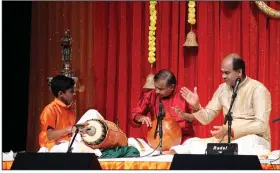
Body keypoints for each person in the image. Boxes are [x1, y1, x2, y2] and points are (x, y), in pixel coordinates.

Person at [171, 53, 272, 156]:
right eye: (222, 72)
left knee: (246, 145)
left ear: (239, 72)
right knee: (193, 144)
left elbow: (261, 125)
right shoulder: (222, 89)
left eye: (227, 73)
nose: (223, 76)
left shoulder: (258, 90)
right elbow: (206, 118)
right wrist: (196, 106)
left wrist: (231, 131)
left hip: (254, 138)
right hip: (228, 139)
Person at [130, 69, 196, 145]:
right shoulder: (151, 95)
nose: (157, 91)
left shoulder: (184, 95)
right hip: (155, 139)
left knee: (194, 145)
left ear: (172, 87)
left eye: (161, 89)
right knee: (131, 142)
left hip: (182, 139)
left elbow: (196, 118)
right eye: (156, 87)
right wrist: (141, 118)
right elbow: (134, 115)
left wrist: (184, 115)